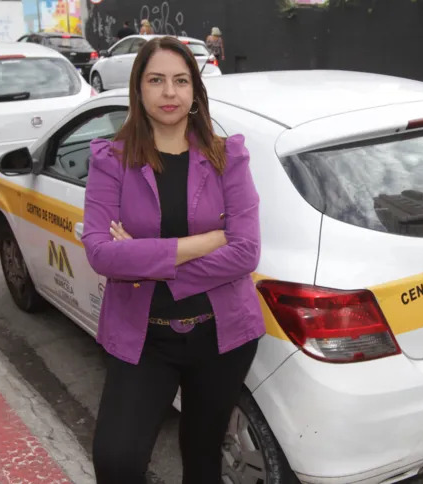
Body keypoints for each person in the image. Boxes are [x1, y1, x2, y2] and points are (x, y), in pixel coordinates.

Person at [82, 36, 264, 484]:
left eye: (181, 81)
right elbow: (101, 253)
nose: (169, 92)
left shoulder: (228, 158)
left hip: (222, 337)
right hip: (143, 337)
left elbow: (245, 252)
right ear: (139, 91)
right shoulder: (111, 162)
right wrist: (202, 243)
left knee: (202, 457)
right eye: (156, 80)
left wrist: (142, 257)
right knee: (116, 461)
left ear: (195, 93)